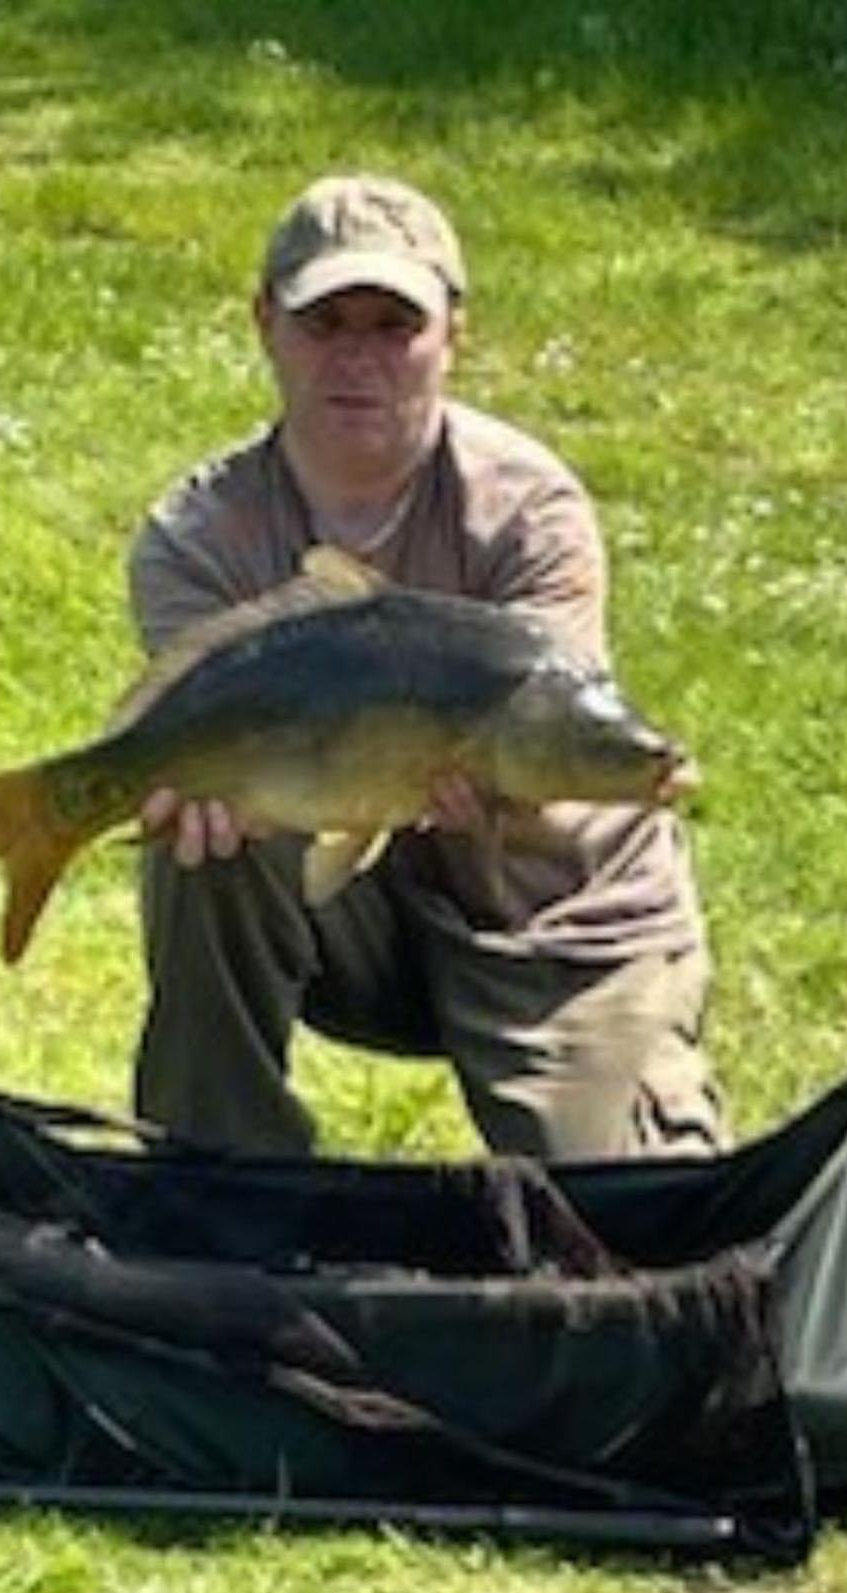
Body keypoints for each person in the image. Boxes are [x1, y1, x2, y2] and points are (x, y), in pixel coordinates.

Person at [127, 170, 727, 1160]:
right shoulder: (196, 536)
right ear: (263, 326)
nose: (355, 360)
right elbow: (201, 727)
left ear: (454, 333)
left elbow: (561, 739)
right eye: (325, 324)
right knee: (204, 838)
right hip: (343, 914)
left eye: (391, 326)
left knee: (633, 1235)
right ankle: (214, 1187)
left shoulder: (530, 511)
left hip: (550, 913)